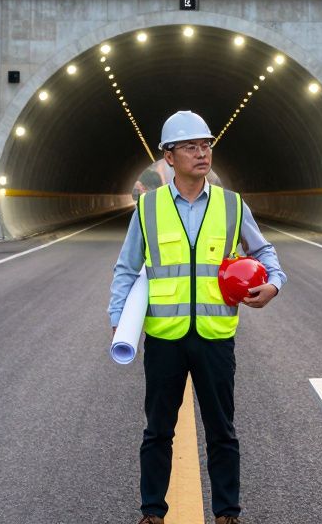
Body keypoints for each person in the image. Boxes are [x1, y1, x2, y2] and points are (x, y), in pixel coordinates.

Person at [109, 110, 286, 524]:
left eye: (206, 144)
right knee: (157, 433)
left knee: (222, 432)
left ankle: (228, 513)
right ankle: (152, 512)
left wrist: (274, 284)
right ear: (168, 157)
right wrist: (120, 317)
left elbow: (265, 252)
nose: (202, 152)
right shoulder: (148, 208)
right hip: (165, 338)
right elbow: (126, 267)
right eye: (191, 146)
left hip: (214, 335)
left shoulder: (231, 205)